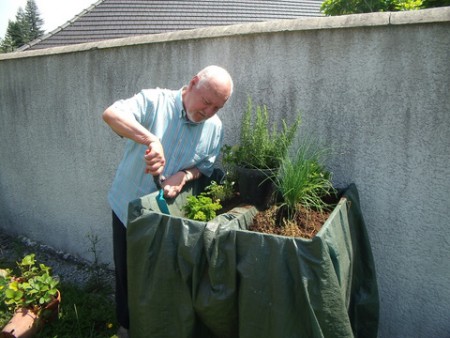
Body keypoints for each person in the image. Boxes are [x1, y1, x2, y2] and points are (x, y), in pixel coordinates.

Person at [102, 65, 233, 337]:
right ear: (193, 82)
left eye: (217, 108)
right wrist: (151, 139)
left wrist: (184, 175)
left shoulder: (214, 128)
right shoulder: (155, 101)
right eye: (207, 102)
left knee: (165, 274)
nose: (208, 113)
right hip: (129, 207)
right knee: (128, 273)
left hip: (170, 218)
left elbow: (206, 167)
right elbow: (111, 114)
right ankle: (126, 328)